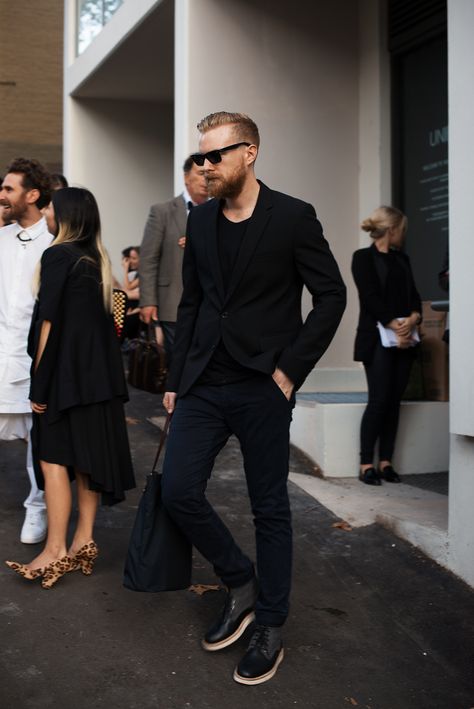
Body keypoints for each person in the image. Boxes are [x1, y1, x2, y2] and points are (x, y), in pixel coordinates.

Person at [160, 111, 346, 685]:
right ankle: (239, 578)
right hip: (203, 383)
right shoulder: (204, 218)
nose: (206, 166)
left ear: (250, 153)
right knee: (177, 489)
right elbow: (194, 304)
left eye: (217, 155)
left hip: (264, 385)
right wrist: (173, 378)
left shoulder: (292, 217)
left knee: (270, 507)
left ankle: (270, 623)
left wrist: (290, 372)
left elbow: (331, 296)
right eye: (201, 157)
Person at [5, 187, 135, 589]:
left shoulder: (57, 255)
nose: (46, 212)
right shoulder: (96, 257)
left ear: (66, 216)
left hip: (64, 377)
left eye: (51, 208)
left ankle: (56, 549)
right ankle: (84, 542)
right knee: (84, 462)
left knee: (52, 459)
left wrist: (39, 387)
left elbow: (49, 324)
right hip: (99, 380)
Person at [0, 158, 53, 544]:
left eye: (8, 189)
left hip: (34, 359)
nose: (1, 194)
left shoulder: (54, 242)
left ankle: (38, 508)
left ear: (32, 195)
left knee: (39, 442)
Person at [352, 206, 422, 486]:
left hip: (406, 339)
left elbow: (415, 297)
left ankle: (386, 462)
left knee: (394, 402)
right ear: (391, 230)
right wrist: (394, 323)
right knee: (379, 400)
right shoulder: (362, 258)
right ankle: (366, 463)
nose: (403, 236)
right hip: (377, 338)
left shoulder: (402, 260)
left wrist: (414, 319)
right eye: (401, 230)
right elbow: (368, 296)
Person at [139, 155, 208, 360]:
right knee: (178, 362)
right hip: (172, 303)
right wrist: (148, 301)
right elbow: (148, 259)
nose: (206, 180)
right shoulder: (162, 212)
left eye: (209, 175)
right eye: (201, 174)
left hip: (209, 305)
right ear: (186, 177)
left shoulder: (221, 210)